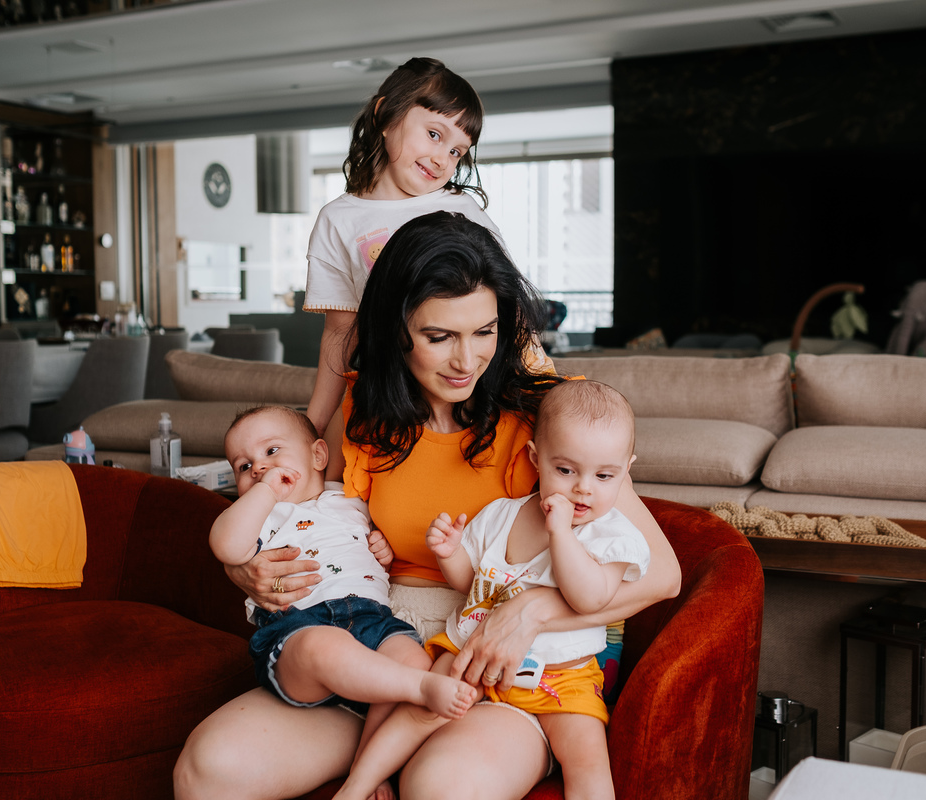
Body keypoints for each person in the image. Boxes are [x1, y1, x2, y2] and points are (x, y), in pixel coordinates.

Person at [174, 211, 681, 800]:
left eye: (485, 331)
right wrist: (244, 569)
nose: (467, 361)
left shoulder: (552, 419)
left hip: (493, 665)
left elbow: (663, 576)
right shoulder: (362, 411)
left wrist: (533, 611)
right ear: (396, 330)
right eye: (439, 337)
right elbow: (298, 511)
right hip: (374, 648)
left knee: (440, 788)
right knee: (208, 770)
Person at [334, 380, 650, 800]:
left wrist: (561, 534)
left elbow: (589, 599)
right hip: (472, 648)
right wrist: (450, 553)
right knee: (418, 711)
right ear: (536, 459)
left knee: (589, 762)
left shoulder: (612, 535)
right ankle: (357, 785)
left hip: (562, 678)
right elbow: (471, 583)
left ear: (626, 471)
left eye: (604, 475)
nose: (583, 488)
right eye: (566, 470)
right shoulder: (502, 514)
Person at [302, 57, 552, 440]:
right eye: (434, 135)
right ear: (385, 115)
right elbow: (340, 334)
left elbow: (509, 307)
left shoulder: (462, 210)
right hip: (398, 396)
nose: (441, 159)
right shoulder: (337, 220)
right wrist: (313, 426)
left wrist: (546, 397)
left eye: (456, 152)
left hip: (480, 395)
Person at [210, 406, 478, 753]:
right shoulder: (259, 515)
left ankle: (371, 761)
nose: (259, 468)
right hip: (299, 628)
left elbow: (366, 541)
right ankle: (419, 687)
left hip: (372, 618)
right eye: (244, 467)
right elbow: (226, 545)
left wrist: (381, 549)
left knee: (411, 658)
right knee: (322, 647)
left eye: (271, 451)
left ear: (318, 456)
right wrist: (265, 492)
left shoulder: (347, 498)